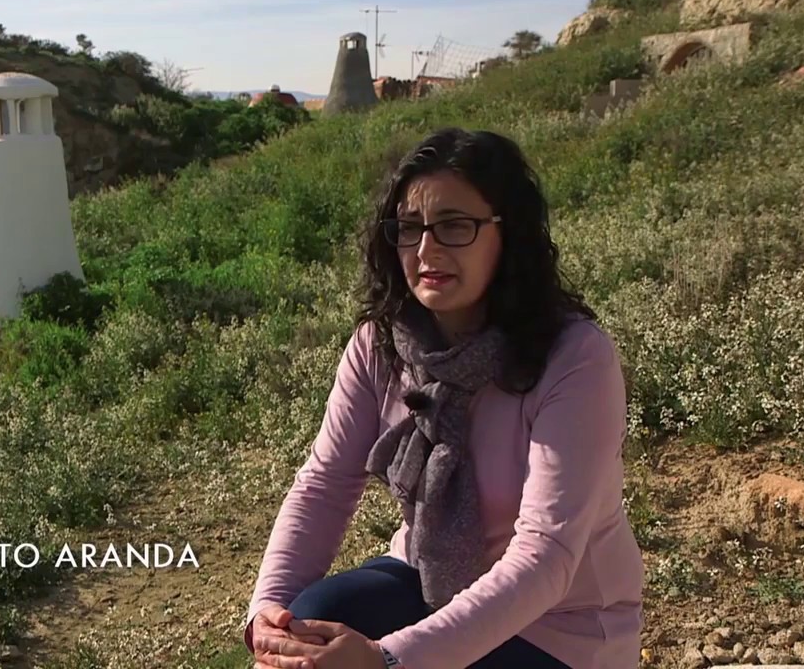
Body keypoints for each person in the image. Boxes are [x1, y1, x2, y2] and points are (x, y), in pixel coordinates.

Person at [242, 127, 644, 669]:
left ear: (509, 234)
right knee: (311, 618)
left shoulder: (573, 357)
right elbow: (326, 483)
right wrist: (268, 612)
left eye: (455, 226)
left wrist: (388, 661)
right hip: (424, 577)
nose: (426, 251)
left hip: (559, 624)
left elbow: (546, 556)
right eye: (410, 229)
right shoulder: (381, 343)